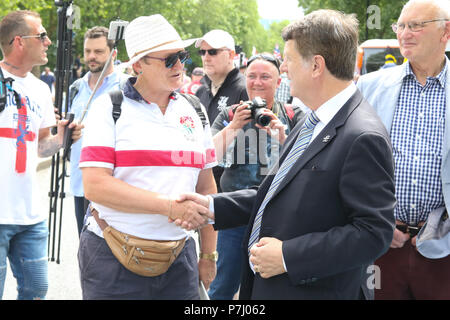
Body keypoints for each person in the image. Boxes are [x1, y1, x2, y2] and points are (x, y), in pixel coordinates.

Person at [176, 9, 396, 300]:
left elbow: (373, 233)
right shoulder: (312, 120)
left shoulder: (361, 135)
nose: (285, 70)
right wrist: (213, 206)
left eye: (289, 61)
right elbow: (277, 194)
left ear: (316, 65)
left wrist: (288, 256)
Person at [78, 14, 217, 300]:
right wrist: (168, 207)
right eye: (169, 60)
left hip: (180, 261)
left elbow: (206, 187)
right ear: (138, 64)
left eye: (182, 55)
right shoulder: (109, 108)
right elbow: (95, 186)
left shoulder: (194, 109)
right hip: (112, 259)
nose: (180, 65)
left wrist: (208, 254)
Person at [357, 0, 450, 299]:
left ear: (445, 31)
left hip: (443, 247)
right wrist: (375, 221)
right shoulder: (369, 87)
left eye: (416, 26)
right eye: (401, 26)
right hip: (382, 245)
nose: (404, 34)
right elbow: (353, 164)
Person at [0, 10, 83, 300]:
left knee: (37, 289)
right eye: (43, 36)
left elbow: (41, 145)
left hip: (30, 214)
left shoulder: (40, 89)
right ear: (19, 41)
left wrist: (62, 137)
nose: (49, 42)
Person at [207, 53, 304, 300]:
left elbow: (309, 161)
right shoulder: (230, 115)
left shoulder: (293, 115)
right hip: (234, 214)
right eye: (251, 76)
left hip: (279, 215)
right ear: (244, 78)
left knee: (273, 287)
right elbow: (207, 156)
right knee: (223, 286)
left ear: (279, 82)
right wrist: (234, 127)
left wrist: (283, 137)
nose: (257, 82)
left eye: (265, 77)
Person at [68, 26, 128, 237]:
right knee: (86, 252)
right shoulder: (76, 87)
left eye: (99, 51)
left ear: (113, 53)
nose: (92, 57)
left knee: (115, 256)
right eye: (88, 51)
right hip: (80, 184)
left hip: (115, 186)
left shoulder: (126, 87)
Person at [195, 29, 248, 193]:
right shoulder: (201, 92)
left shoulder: (244, 89)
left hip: (233, 187)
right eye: (202, 52)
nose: (206, 57)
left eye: (213, 51)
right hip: (203, 181)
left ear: (231, 55)